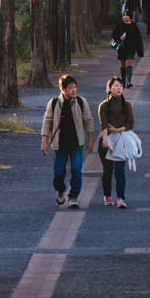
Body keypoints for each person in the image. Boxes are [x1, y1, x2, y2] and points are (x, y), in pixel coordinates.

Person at [41, 75, 94, 209]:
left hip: (76, 144)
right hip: (60, 144)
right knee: (59, 172)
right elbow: (47, 122)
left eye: (75, 87)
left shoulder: (81, 102)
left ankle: (73, 197)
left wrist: (90, 140)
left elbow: (88, 120)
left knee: (76, 171)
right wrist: (44, 141)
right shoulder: (54, 103)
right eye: (70, 88)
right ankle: (60, 189)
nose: (73, 90)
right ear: (63, 89)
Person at [97, 76, 135, 208]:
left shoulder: (127, 104)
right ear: (109, 88)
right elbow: (103, 124)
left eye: (120, 86)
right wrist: (105, 140)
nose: (119, 88)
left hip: (121, 140)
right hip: (107, 139)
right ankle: (107, 196)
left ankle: (120, 198)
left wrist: (117, 130)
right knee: (107, 170)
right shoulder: (103, 105)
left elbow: (130, 123)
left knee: (119, 170)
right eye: (116, 86)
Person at [112, 10, 144, 86]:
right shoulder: (120, 25)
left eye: (126, 15)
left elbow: (138, 38)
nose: (125, 17)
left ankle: (129, 81)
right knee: (123, 63)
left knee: (129, 62)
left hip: (131, 46)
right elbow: (114, 34)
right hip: (122, 47)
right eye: (124, 15)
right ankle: (124, 80)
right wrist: (120, 37)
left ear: (130, 17)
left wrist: (140, 51)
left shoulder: (134, 26)